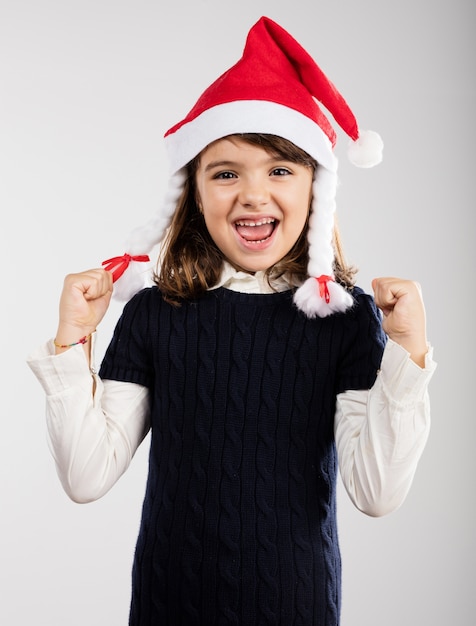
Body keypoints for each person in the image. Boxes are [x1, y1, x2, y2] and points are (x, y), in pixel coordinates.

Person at [27, 16, 436, 626]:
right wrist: (71, 343)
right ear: (194, 192)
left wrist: (407, 354)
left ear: (315, 192)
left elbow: (375, 495)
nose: (252, 193)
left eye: (280, 169)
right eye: (225, 173)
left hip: (296, 607)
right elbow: (87, 477)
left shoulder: (344, 323)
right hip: (170, 606)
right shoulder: (154, 314)